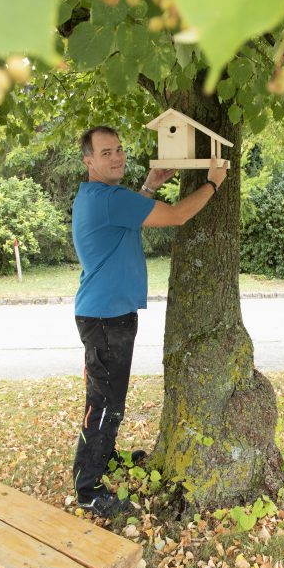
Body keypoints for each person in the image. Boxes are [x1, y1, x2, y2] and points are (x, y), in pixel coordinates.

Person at [71, 125, 228, 517]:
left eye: (119, 149)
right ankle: (88, 489)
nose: (117, 156)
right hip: (106, 318)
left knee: (108, 400)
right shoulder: (108, 198)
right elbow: (175, 217)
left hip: (106, 313)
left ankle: (103, 460)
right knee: (105, 404)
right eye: (106, 152)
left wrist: (149, 186)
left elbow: (131, 218)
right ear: (88, 160)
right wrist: (213, 183)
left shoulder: (103, 197)